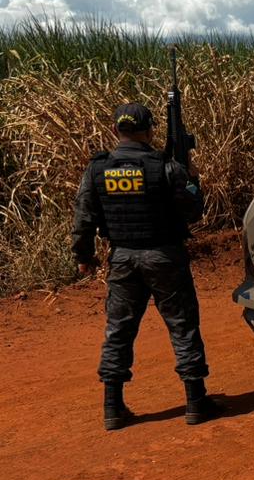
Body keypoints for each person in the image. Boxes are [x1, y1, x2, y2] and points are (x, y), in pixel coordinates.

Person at [71, 102, 223, 430]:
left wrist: (84, 256)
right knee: (182, 326)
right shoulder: (164, 166)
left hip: (123, 258)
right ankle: (196, 403)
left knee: (119, 330)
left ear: (116, 130)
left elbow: (83, 217)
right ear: (150, 130)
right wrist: (193, 178)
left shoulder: (98, 168)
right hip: (165, 256)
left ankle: (112, 408)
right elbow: (193, 211)